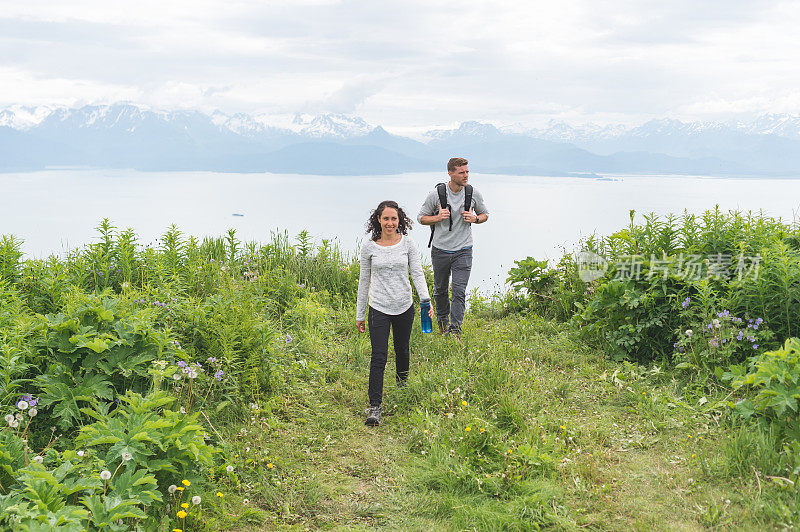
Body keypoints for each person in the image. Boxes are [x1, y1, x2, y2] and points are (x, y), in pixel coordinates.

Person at [356, 200, 434, 426]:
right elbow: (364, 282)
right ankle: (374, 407)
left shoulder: (408, 244)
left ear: (399, 220)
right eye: (386, 218)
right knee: (378, 356)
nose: (390, 223)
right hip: (378, 307)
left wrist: (425, 301)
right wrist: (360, 314)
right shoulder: (369, 247)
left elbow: (418, 274)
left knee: (402, 351)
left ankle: (402, 391)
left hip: (404, 307)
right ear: (378, 220)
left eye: (394, 219)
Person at [417, 157, 489, 336]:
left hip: (464, 250)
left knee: (458, 291)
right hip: (440, 250)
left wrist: (476, 219)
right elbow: (421, 218)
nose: (466, 176)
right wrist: (437, 218)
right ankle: (442, 325)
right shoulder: (436, 194)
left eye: (467, 172)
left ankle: (455, 331)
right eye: (461, 172)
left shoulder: (473, 193)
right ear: (450, 173)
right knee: (440, 290)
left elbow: (485, 214)